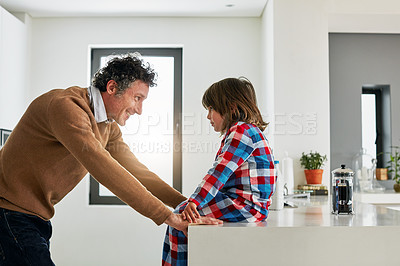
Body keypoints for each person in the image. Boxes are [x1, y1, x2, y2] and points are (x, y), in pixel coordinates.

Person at [0, 53, 221, 265]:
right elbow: (105, 169)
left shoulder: (108, 127)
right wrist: (169, 217)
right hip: (9, 212)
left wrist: (186, 205)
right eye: (137, 98)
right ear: (112, 87)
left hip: (33, 218)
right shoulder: (67, 107)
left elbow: (138, 172)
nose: (140, 110)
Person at [162, 77, 276, 266]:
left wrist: (195, 201)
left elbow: (218, 174)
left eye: (211, 109)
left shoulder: (241, 131)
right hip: (252, 206)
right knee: (187, 213)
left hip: (245, 206)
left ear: (230, 108)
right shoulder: (248, 131)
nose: (208, 116)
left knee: (180, 216)